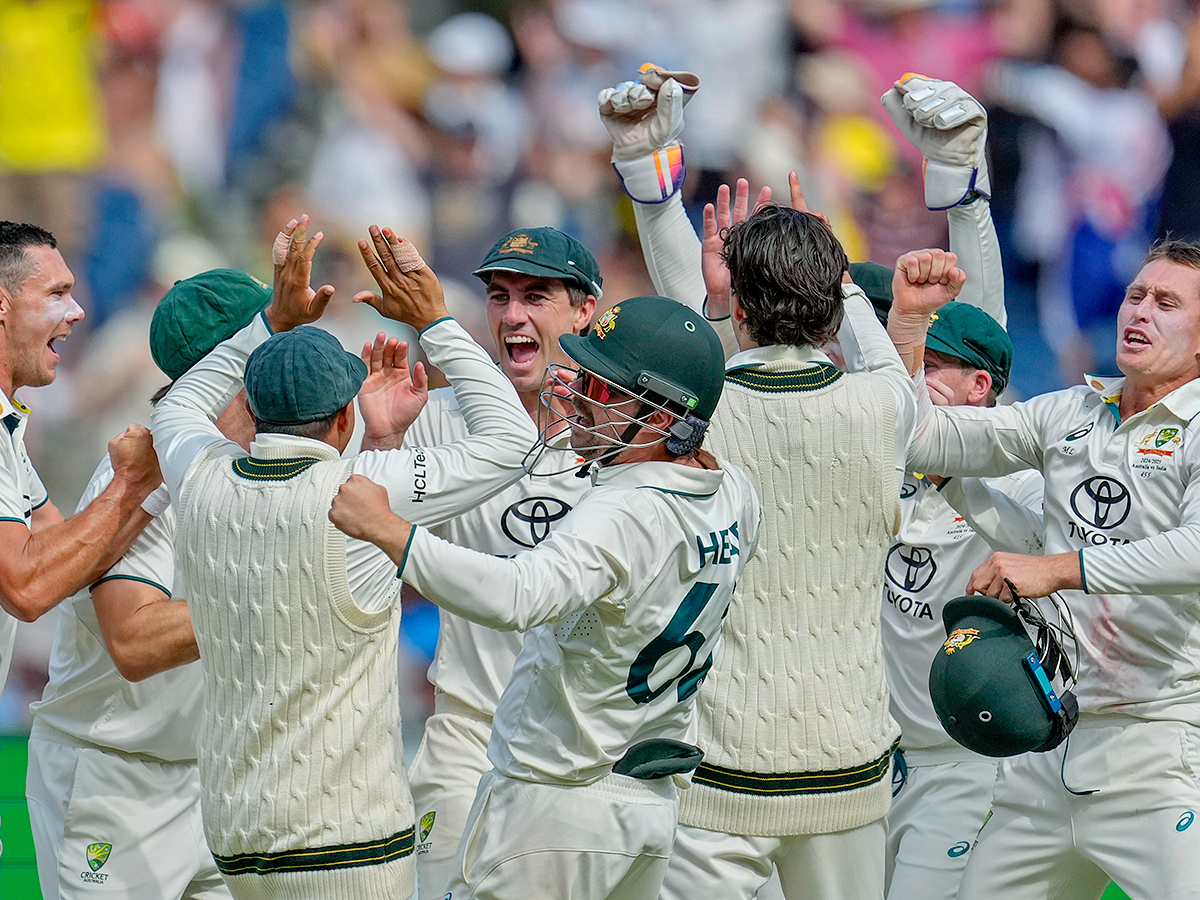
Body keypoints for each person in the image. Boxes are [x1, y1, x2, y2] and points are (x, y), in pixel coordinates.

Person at [598, 68, 927, 899]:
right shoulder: (883, 405)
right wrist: (833, 263)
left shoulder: (702, 414)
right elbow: (879, 351)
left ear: (737, 307)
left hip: (717, 773)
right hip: (849, 769)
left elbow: (691, 347)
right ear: (835, 303)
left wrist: (649, 179)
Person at [149, 225, 538, 900]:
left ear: (251, 405)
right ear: (340, 422)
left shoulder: (200, 476)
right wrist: (435, 320)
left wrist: (270, 321)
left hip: (237, 842)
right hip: (350, 848)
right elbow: (512, 440)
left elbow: (182, 402)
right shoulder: (365, 493)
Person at [329, 294, 760, 900]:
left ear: (663, 418)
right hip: (646, 801)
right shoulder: (735, 489)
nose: (579, 394)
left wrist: (391, 531)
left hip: (559, 803)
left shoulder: (625, 511)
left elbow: (518, 595)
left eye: (604, 388)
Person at [23, 220, 352, 899]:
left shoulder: (272, 466)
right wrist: (281, 600)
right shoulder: (143, 482)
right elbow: (134, 641)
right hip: (117, 779)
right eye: (267, 337)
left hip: (215, 778)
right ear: (232, 363)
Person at [894, 236, 1200, 900]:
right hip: (1045, 748)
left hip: (1155, 749)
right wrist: (911, 325)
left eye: (1167, 302)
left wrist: (1058, 568)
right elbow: (923, 438)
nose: (1140, 311)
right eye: (1136, 295)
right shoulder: (1072, 411)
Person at [404, 226, 601, 900]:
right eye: (499, 297)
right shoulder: (435, 416)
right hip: (469, 742)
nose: (512, 315)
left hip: (589, 753)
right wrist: (376, 435)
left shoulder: (626, 432)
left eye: (535, 296)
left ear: (585, 311)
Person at [0, 220, 160, 700]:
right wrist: (129, 486)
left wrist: (153, 487)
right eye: (57, 293)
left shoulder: (8, 426)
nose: (78, 311)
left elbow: (74, 557)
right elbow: (27, 588)